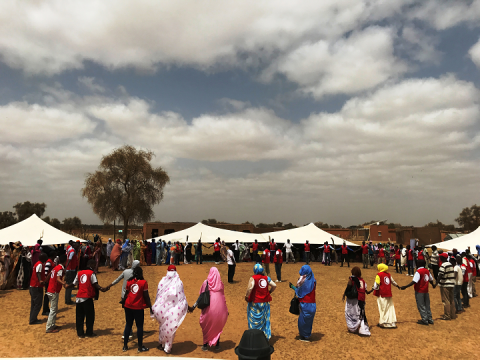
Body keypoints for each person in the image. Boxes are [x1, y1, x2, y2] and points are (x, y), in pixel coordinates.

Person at [65, 259, 109, 338]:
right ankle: (89, 332)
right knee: (90, 316)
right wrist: (102, 289)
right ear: (91, 264)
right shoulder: (91, 273)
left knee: (79, 316)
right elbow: (95, 284)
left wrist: (68, 286)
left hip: (79, 297)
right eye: (94, 264)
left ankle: (80, 333)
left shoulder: (79, 273)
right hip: (87, 297)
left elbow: (74, 283)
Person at [188, 267, 228, 351]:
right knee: (217, 325)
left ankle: (205, 345)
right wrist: (226, 310)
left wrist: (193, 307)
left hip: (209, 308)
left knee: (206, 324)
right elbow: (223, 297)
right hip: (219, 309)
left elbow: (201, 296)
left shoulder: (206, 283)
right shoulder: (220, 284)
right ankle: (217, 344)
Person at [152, 265, 189, 354]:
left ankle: (161, 343)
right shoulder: (179, 283)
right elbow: (182, 297)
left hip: (161, 310)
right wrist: (186, 306)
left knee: (162, 326)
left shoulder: (162, 282)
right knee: (171, 328)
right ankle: (167, 348)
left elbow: (158, 295)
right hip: (174, 310)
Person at [122, 266, 152, 353]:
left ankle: (125, 346)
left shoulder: (129, 281)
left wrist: (123, 303)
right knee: (139, 326)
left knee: (128, 324)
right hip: (138, 307)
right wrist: (150, 306)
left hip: (128, 305)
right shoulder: (143, 282)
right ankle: (140, 347)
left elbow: (126, 294)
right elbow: (146, 296)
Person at [245, 264, 276, 340]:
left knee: (253, 319)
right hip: (265, 303)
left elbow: (250, 288)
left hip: (255, 302)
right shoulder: (266, 278)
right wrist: (269, 292)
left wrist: (246, 296)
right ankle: (263, 337)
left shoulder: (253, 278)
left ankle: (254, 336)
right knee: (264, 319)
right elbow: (274, 285)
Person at [400, 259, 435, 325]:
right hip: (426, 290)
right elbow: (431, 279)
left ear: (418, 264)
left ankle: (424, 319)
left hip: (419, 290)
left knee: (421, 305)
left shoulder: (418, 271)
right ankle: (429, 318)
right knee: (427, 305)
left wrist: (405, 286)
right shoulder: (427, 271)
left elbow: (414, 281)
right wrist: (433, 285)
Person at [290, 265, 317, 341]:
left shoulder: (302, 282)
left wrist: (292, 286)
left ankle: (304, 336)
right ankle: (307, 334)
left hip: (304, 304)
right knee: (309, 321)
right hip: (312, 304)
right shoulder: (314, 281)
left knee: (302, 321)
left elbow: (299, 292)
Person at [342, 266, 370, 336]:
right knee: (359, 314)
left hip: (352, 300)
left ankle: (352, 327)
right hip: (360, 300)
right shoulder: (363, 281)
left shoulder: (352, 279)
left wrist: (344, 294)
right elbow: (365, 290)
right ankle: (359, 327)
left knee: (350, 313)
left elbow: (348, 287)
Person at [371, 264, 400, 328]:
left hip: (382, 294)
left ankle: (383, 322)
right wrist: (398, 286)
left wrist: (371, 290)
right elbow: (393, 282)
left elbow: (376, 284)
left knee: (382, 308)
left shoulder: (379, 275)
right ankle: (392, 322)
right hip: (388, 293)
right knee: (389, 307)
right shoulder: (388, 274)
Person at [46, 254, 68, 333]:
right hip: (54, 290)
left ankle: (52, 324)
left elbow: (49, 275)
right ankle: (49, 327)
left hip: (50, 289)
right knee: (53, 310)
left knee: (53, 309)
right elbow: (58, 279)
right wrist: (64, 283)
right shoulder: (60, 269)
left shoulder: (56, 267)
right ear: (65, 261)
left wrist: (45, 281)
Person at [29, 253, 48, 325]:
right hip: (37, 286)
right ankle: (33, 320)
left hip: (33, 286)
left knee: (34, 304)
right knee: (38, 304)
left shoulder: (37, 263)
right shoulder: (40, 264)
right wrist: (40, 280)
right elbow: (38, 273)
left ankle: (33, 318)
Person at [437, 255, 456, 320]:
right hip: (451, 284)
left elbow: (441, 274)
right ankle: (452, 314)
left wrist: (436, 283)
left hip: (445, 284)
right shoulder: (450, 264)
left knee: (446, 300)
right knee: (451, 299)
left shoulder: (443, 265)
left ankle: (447, 315)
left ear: (442, 258)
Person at [65, 241, 79, 305]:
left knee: (69, 285)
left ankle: (67, 299)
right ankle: (68, 300)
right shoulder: (72, 252)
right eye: (77, 246)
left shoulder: (70, 250)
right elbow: (69, 259)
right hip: (70, 270)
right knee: (69, 285)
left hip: (70, 269)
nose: (78, 247)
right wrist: (66, 267)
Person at [42, 252, 56, 316]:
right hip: (48, 281)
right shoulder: (49, 262)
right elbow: (46, 272)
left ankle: (47, 309)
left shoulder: (51, 261)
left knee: (48, 295)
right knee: (47, 296)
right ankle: (45, 310)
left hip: (50, 281)